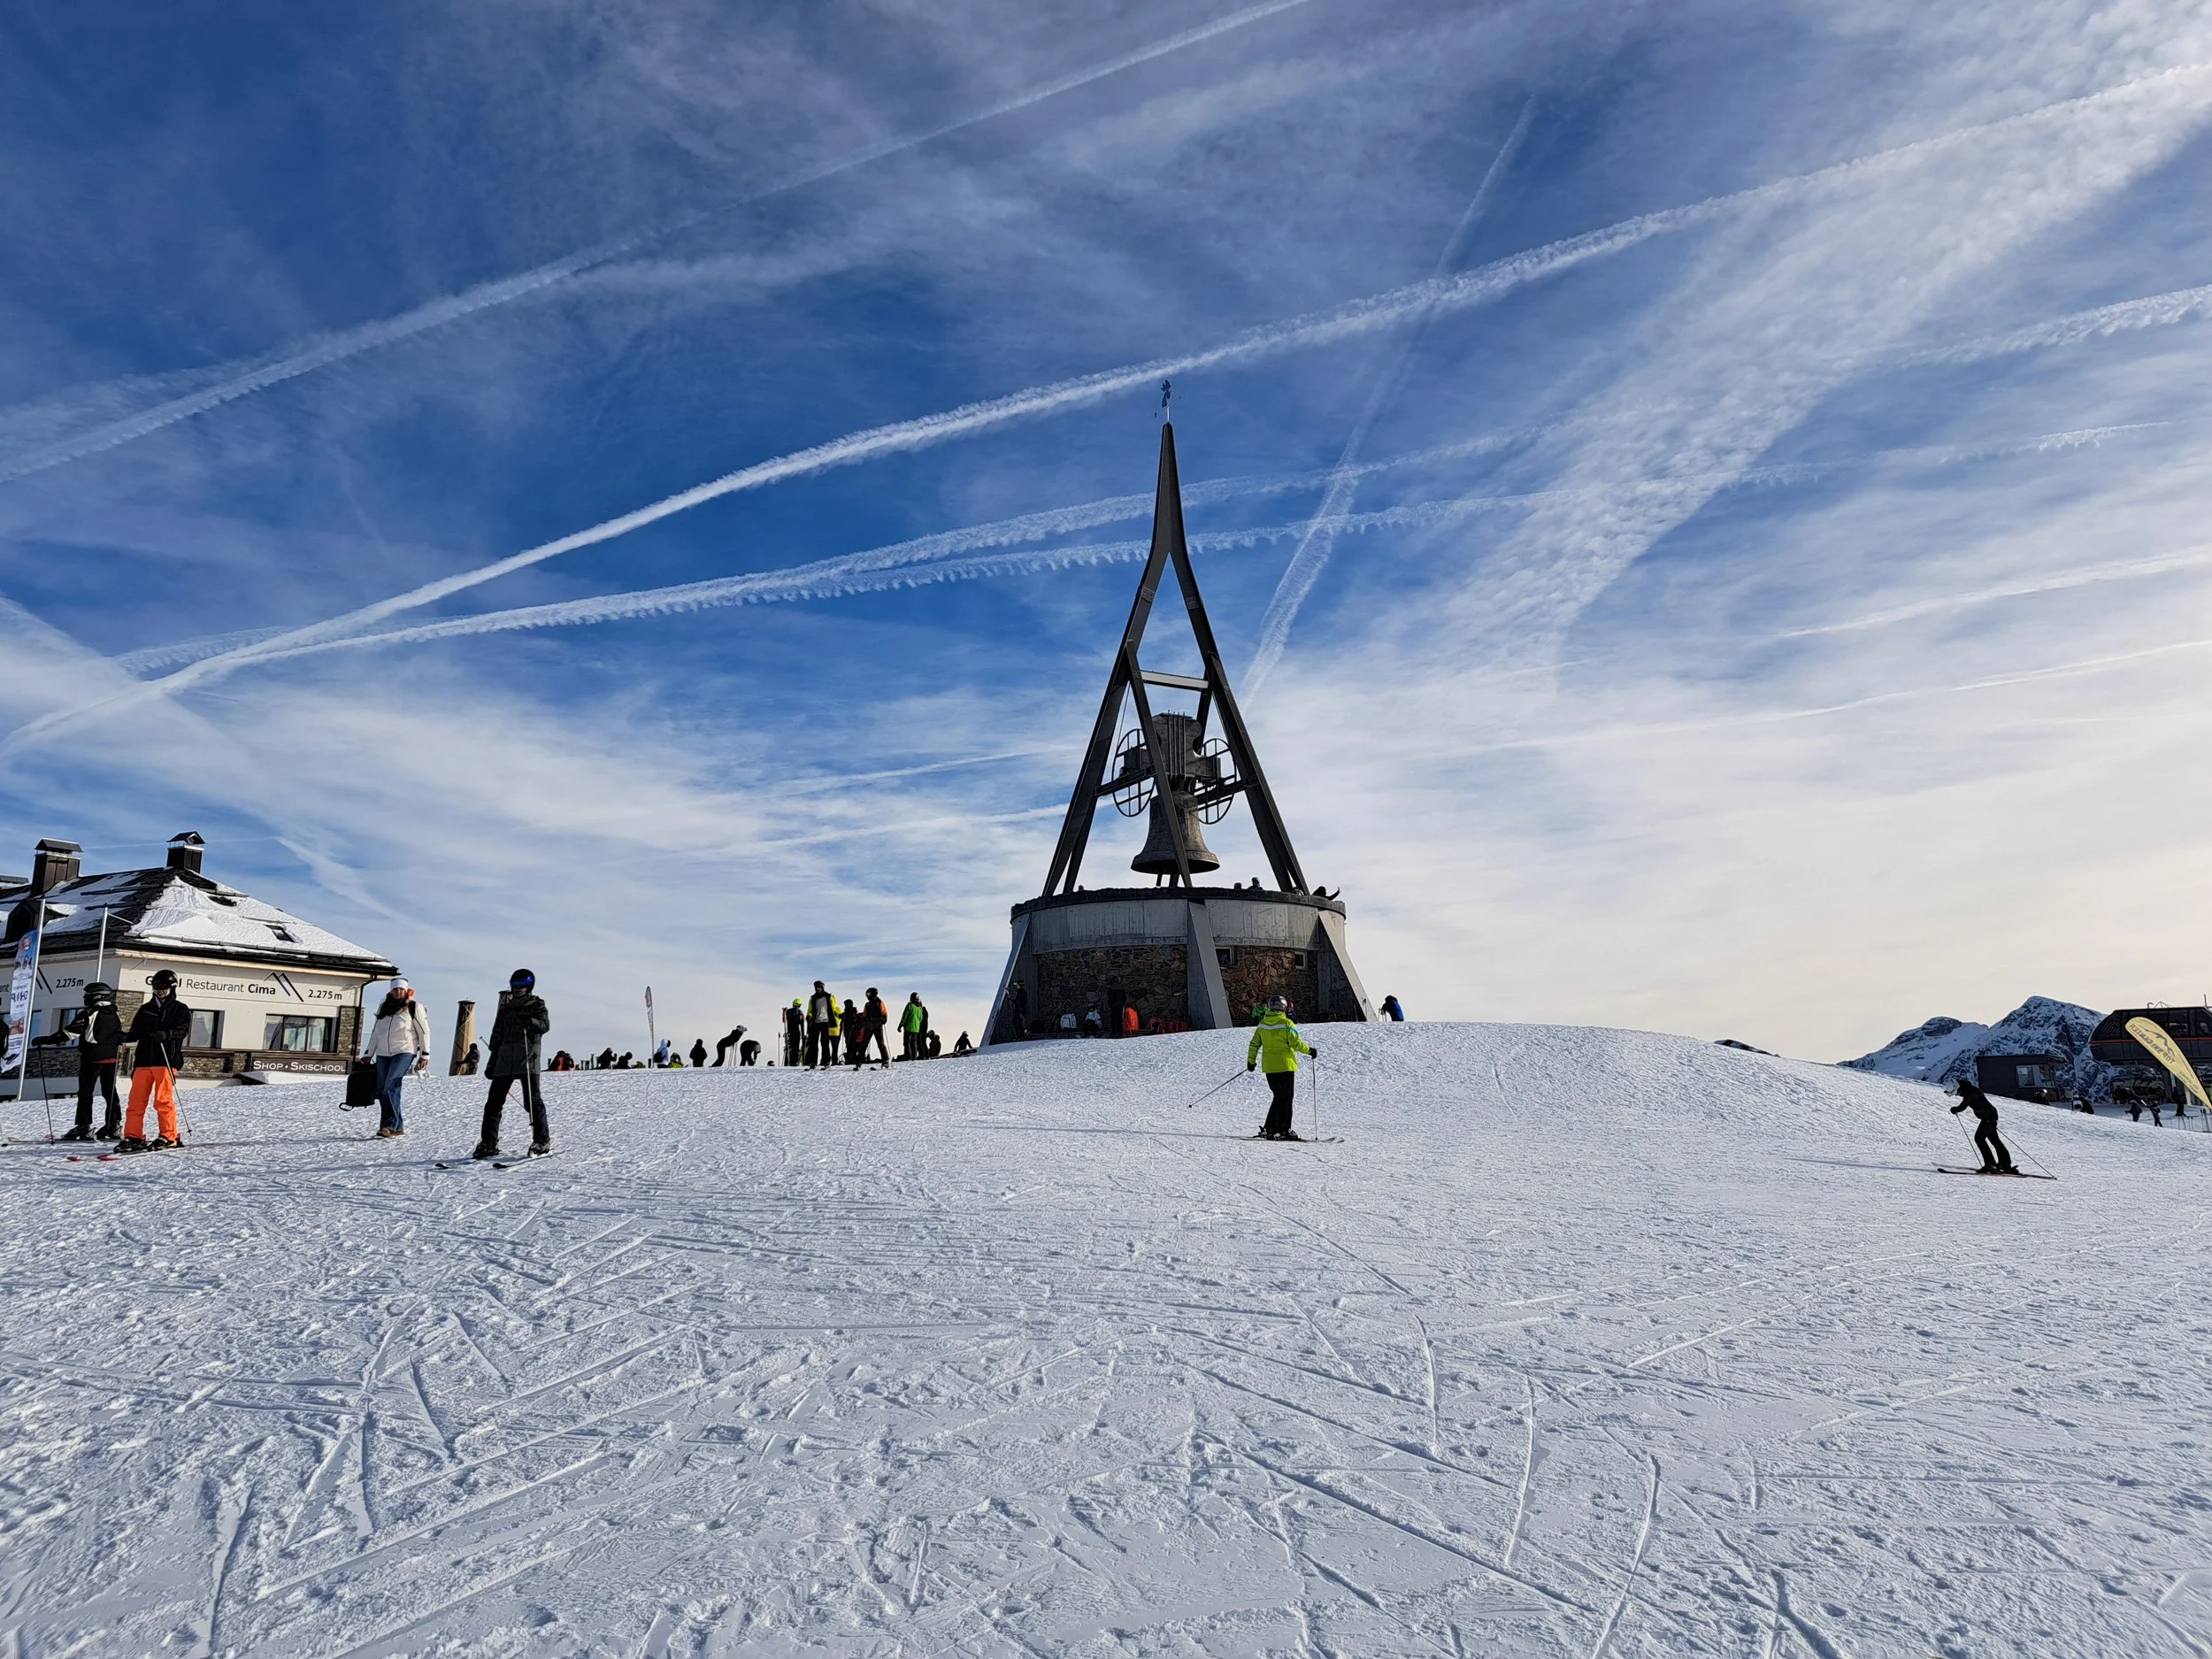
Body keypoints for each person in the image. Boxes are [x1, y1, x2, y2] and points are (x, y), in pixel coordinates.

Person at [473, 970, 551, 1159]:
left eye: (521, 986)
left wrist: (530, 1021)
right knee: (493, 1104)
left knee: (532, 1102)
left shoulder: (537, 1005)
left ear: (529, 987)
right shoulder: (505, 1009)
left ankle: (541, 1141)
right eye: (515, 985)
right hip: (504, 1060)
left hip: (527, 1059)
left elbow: (544, 1026)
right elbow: (496, 1036)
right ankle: (488, 1143)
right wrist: (492, 1062)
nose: (517, 989)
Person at [118, 968, 191, 1153]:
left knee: (162, 1100)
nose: (160, 990)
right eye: (157, 986)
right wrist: (124, 1037)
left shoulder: (180, 1009)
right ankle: (133, 1136)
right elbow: (136, 1032)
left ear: (172, 987)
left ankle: (169, 1136)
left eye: (164, 986)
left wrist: (166, 1035)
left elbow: (183, 1031)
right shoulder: (146, 1009)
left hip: (166, 1059)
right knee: (136, 1101)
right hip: (143, 1059)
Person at [362, 977, 431, 1140]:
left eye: (401, 989)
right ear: (391, 990)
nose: (398, 992)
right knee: (383, 1089)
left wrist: (425, 1054)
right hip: (383, 1053)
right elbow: (376, 1032)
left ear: (406, 990)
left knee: (391, 1085)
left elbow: (424, 1031)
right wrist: (368, 1054)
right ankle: (395, 1126)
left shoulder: (414, 1007)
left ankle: (389, 1126)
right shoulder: (384, 1007)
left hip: (404, 1050)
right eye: (395, 989)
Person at [60, 981, 124, 1141]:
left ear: (96, 996)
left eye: (87, 995)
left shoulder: (89, 1013)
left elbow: (70, 1033)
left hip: (92, 1060)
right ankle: (114, 1125)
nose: (84, 997)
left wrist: (45, 1040)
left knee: (85, 1093)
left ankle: (84, 1126)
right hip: (112, 1059)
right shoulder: (114, 1013)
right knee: (110, 1092)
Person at [1247, 994, 1317, 1141]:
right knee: (1286, 1098)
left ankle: (1270, 1128)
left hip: (1270, 1067)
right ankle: (1283, 1129)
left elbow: (1254, 1044)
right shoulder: (1286, 1023)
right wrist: (1310, 1051)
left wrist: (1251, 1062)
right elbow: (1296, 1043)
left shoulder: (1263, 1024)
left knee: (1278, 1097)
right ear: (1283, 1008)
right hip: (1285, 1066)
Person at [1951, 1079, 2016, 1173]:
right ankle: (2005, 1164)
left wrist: (1955, 1109)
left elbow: (1963, 1106)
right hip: (1991, 1115)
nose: (1958, 1094)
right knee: (1994, 1140)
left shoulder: (1970, 1093)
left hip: (1988, 1117)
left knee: (1979, 1138)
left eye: (1958, 1092)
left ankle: (1990, 1164)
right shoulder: (1972, 1090)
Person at [807, 982, 835, 1068]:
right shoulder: (813, 998)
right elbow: (810, 1010)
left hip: (825, 1022)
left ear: (822, 987)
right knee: (813, 1043)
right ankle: (813, 1062)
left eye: (819, 987)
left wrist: (837, 1016)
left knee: (825, 1042)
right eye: (816, 987)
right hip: (816, 1022)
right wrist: (809, 1016)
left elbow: (833, 1008)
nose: (817, 989)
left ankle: (826, 1061)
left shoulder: (829, 996)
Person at [900, 994, 928, 1060]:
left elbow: (904, 1016)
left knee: (907, 1043)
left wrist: (901, 1025)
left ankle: (908, 1057)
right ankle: (914, 1057)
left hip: (908, 1027)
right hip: (916, 1029)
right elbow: (920, 1018)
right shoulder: (920, 1008)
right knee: (914, 1043)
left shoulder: (910, 1006)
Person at [783, 1000, 803, 1067]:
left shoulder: (798, 1012)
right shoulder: (790, 1011)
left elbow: (802, 1023)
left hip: (795, 1032)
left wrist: (803, 1034)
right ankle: (790, 1062)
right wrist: (784, 1013)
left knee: (794, 1048)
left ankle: (793, 1062)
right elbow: (784, 1020)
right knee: (791, 1048)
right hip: (792, 1032)